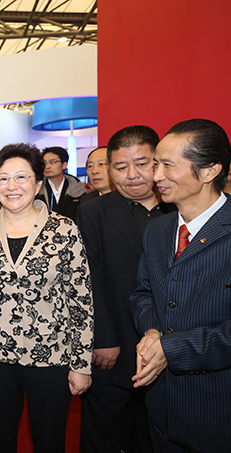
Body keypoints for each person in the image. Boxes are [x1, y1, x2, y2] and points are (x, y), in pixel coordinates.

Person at [0, 143, 93, 453]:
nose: (12, 186)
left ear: (38, 183)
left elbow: (81, 300)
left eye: (21, 177)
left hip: (52, 355)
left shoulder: (64, 230)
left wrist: (82, 363)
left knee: (49, 439)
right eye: (3, 179)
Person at [131, 118, 231, 452]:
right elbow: (144, 293)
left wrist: (171, 349)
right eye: (156, 164)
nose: (156, 176)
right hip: (162, 406)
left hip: (217, 409)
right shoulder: (158, 230)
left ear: (210, 171)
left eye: (168, 165)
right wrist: (151, 331)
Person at [77, 126, 170, 453]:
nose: (132, 175)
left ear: (159, 162)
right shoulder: (93, 212)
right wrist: (103, 339)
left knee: (155, 431)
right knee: (104, 430)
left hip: (171, 342)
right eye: (120, 167)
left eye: (142, 164)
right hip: (114, 342)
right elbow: (91, 279)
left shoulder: (178, 207)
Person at [39, 146, 87, 220]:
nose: (47, 166)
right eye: (44, 163)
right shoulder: (37, 189)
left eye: (52, 162)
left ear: (64, 165)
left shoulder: (78, 190)